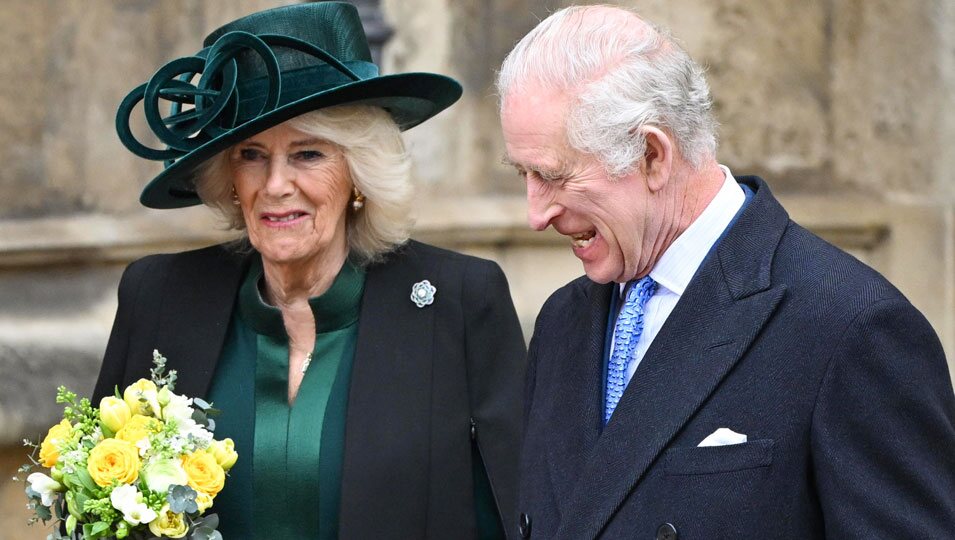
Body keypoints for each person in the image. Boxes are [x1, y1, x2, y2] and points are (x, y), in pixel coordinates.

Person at [497, 5, 955, 539]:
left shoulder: (851, 327)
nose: (535, 214)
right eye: (523, 174)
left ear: (652, 155)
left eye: (553, 176)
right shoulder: (562, 320)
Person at [93, 3, 525, 539]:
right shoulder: (159, 296)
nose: (275, 185)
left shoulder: (460, 301)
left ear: (358, 173)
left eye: (308, 154)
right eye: (252, 155)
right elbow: (94, 515)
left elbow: (513, 513)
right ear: (228, 176)